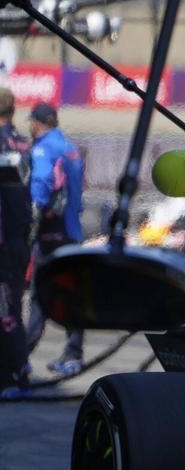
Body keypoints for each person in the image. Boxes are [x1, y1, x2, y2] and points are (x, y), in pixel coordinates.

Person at [25, 102, 84, 377]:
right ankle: (73, 355)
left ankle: (19, 356)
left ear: (36, 123)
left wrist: (30, 214)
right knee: (71, 294)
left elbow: (41, 181)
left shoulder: (43, 148)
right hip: (72, 232)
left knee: (39, 294)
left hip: (50, 234)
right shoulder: (69, 148)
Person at [0, 87, 31, 397]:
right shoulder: (23, 143)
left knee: (6, 311)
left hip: (5, 244)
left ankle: (15, 376)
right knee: (11, 309)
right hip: (20, 239)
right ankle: (16, 372)